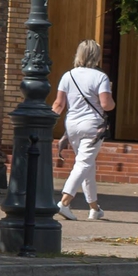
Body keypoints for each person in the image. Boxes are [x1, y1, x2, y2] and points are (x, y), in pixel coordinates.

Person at [51, 39, 115, 220]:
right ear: (96, 56)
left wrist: (49, 123)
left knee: (88, 165)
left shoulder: (68, 76)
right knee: (84, 164)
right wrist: (110, 93)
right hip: (93, 126)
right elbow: (106, 105)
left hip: (71, 125)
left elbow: (59, 104)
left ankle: (94, 208)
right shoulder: (100, 77)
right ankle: (64, 202)